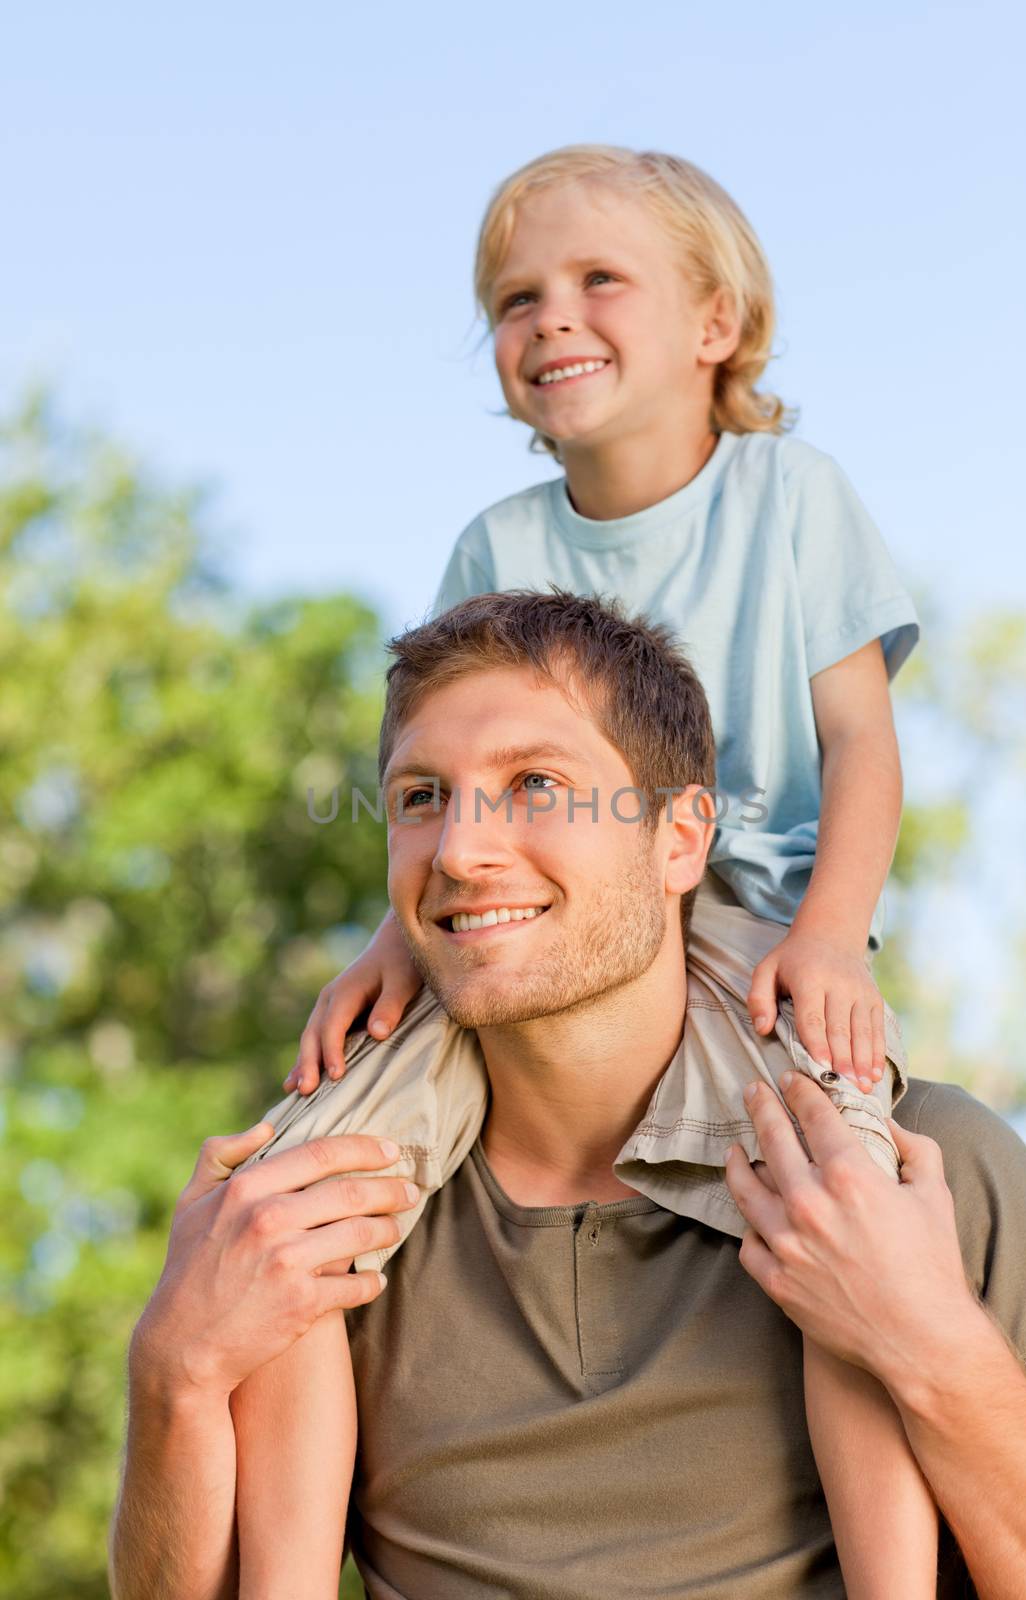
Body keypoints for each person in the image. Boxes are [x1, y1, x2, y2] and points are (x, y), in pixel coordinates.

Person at [109, 592, 1026, 1600]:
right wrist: (173, 1367)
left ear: (679, 838)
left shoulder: (929, 1169)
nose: (458, 853)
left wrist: (931, 1346)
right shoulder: (320, 1220)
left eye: (533, 783)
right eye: (421, 796)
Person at [259, 143, 930, 1583]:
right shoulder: (496, 542)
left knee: (842, 1215)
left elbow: (860, 750)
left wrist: (827, 937)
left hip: (753, 921)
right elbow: (444, 785)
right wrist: (394, 951)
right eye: (514, 298)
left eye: (594, 281)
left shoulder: (789, 497)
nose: (548, 318)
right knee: (299, 1200)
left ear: (712, 324)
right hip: (539, 931)